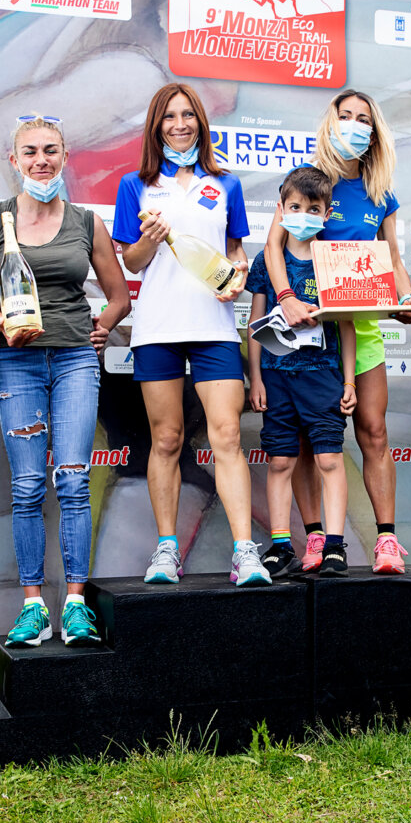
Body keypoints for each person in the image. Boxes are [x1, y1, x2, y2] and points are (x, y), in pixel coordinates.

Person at [0, 116, 130, 648]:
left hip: (74, 362)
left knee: (72, 481)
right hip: (17, 363)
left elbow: (118, 296)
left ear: (65, 158)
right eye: (30, 152)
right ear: (13, 161)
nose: (42, 161)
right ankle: (34, 607)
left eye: (51, 151)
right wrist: (2, 325)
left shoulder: (87, 223)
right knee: (26, 487)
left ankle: (77, 605)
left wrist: (103, 328)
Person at [113, 83, 270, 587]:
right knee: (167, 439)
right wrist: (148, 239)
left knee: (225, 435)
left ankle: (246, 552)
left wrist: (240, 272)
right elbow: (131, 261)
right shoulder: (136, 185)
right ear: (156, 127)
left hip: (214, 329)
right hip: (157, 327)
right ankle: (166, 551)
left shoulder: (226, 184)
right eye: (169, 117)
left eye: (188, 116)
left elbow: (236, 252)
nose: (180, 125)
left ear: (201, 124)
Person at [264, 89, 411, 574]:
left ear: (375, 132)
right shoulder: (307, 183)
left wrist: (406, 297)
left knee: (373, 431)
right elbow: (272, 248)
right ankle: (316, 539)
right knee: (309, 442)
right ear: (330, 122)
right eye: (345, 115)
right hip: (304, 335)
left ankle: (387, 542)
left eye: (362, 119)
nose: (353, 124)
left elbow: (391, 258)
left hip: (359, 330)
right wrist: (286, 297)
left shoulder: (380, 194)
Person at [246, 166, 357, 576]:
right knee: (280, 462)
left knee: (329, 460)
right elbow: (255, 323)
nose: (304, 214)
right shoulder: (265, 261)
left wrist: (348, 381)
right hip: (276, 376)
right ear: (280, 208)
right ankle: (280, 546)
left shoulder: (335, 260)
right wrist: (255, 377)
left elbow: (348, 326)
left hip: (323, 375)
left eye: (313, 208)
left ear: (326, 214)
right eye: (295, 207)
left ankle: (334, 545)